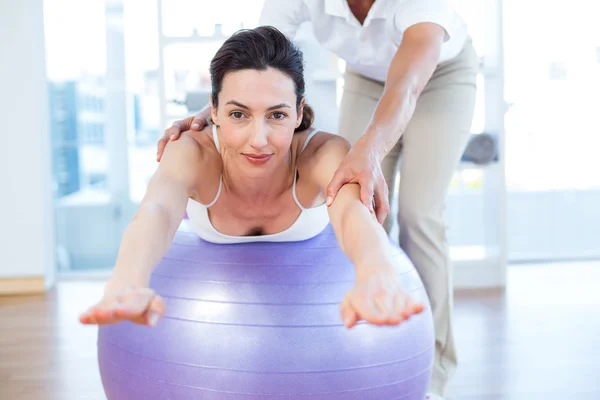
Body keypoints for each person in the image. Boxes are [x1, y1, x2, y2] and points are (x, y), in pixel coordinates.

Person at [156, 2, 478, 399]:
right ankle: (366, 352)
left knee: (418, 211)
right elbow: (257, 64)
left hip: (438, 77)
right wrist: (214, 114)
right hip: (367, 77)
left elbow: (406, 85)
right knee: (356, 204)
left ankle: (433, 376)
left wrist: (371, 150)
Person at [79, 27, 425, 339]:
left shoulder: (322, 152)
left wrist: (376, 271)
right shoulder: (192, 151)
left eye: (277, 115)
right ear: (212, 110)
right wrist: (128, 279)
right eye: (238, 114)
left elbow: (353, 214)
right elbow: (156, 210)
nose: (258, 139)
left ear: (299, 111)